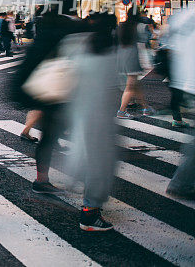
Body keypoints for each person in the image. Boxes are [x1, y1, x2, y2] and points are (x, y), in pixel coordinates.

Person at [12, 0, 84, 196]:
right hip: (59, 88)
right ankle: (70, 177)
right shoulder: (69, 25)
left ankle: (42, 179)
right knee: (63, 133)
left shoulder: (46, 24)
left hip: (45, 88)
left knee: (50, 135)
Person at [65, 12, 120, 231]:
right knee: (99, 163)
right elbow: (115, 87)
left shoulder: (77, 44)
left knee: (87, 158)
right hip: (100, 115)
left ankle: (90, 205)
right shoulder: (110, 50)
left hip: (79, 112)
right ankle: (89, 213)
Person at [166, 4, 195, 199]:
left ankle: (181, 182)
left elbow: (172, 48)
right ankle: (181, 183)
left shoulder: (184, 15)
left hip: (186, 81)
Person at [116, 7, 154, 118]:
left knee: (136, 84)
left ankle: (145, 107)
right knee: (130, 86)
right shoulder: (139, 27)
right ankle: (121, 111)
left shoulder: (121, 26)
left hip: (121, 57)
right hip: (132, 57)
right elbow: (146, 40)